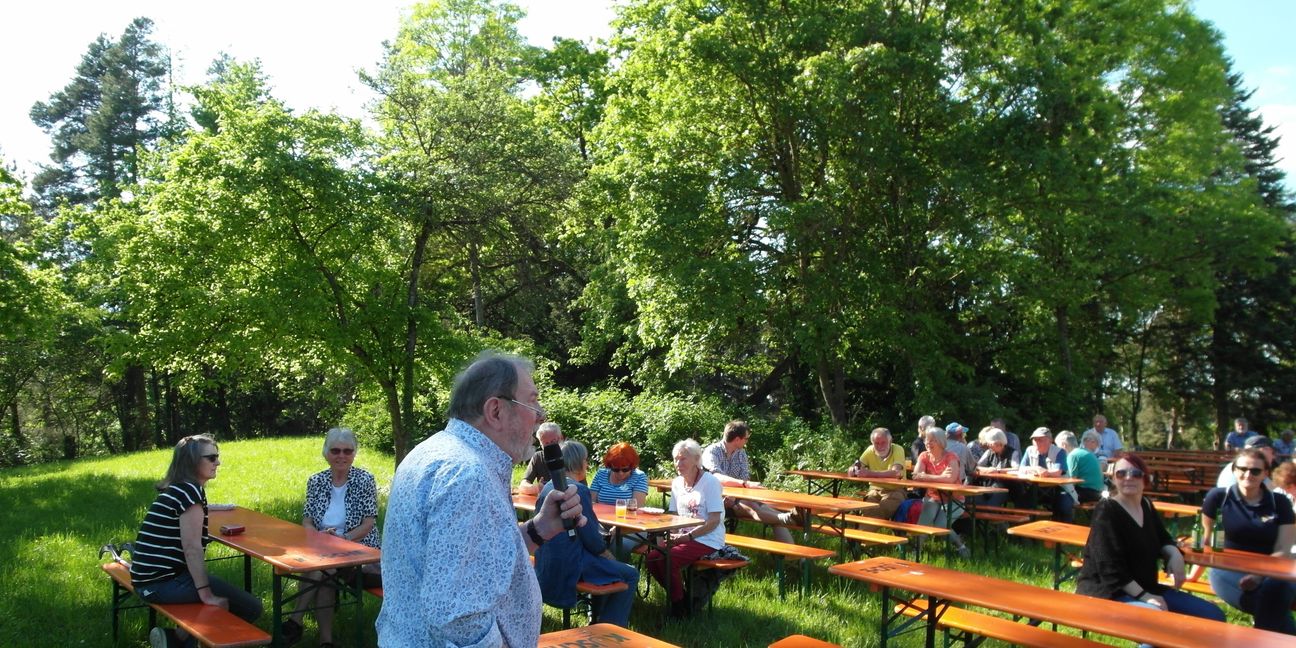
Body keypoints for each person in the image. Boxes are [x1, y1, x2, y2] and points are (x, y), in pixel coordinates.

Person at [376, 352, 585, 647]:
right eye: (533, 401)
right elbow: (459, 618)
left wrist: (540, 528)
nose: (541, 415)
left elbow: (480, 560)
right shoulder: (468, 474)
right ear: (495, 411)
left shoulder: (436, 452)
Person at [130, 435, 263, 648]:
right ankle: (183, 640)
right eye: (211, 458)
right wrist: (206, 594)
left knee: (217, 598)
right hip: (162, 584)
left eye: (217, 457)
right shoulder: (190, 493)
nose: (217, 462)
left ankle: (176, 639)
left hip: (147, 580)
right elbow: (192, 549)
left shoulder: (179, 489)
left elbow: (187, 515)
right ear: (192, 462)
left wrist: (214, 507)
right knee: (250, 608)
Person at [1076, 454, 1225, 631]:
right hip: (1109, 593)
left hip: (1147, 586)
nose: (1128, 478)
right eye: (1121, 474)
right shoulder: (1106, 510)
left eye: (1135, 473)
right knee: (1158, 623)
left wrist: (1175, 553)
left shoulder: (1146, 505)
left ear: (1146, 478)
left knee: (1214, 615)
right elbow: (1109, 568)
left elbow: (1163, 537)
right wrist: (1144, 596)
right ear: (1114, 480)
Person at [283, 427, 381, 647]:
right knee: (324, 572)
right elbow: (307, 519)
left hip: (360, 551)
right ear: (325, 453)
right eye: (336, 450)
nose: (341, 456)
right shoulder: (316, 481)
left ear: (354, 453)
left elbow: (368, 524)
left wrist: (341, 539)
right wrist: (317, 537)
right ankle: (326, 642)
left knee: (322, 570)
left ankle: (295, 621)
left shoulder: (364, 480)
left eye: (348, 451)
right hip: (322, 550)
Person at [533, 440, 638, 627]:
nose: (587, 464)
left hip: (547, 561)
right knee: (630, 573)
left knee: (607, 567)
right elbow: (590, 536)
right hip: (571, 563)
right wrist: (605, 553)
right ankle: (610, 630)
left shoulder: (548, 486)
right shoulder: (577, 489)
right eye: (586, 460)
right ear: (578, 462)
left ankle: (596, 619)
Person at [1202, 448, 1296, 634]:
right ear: (1234, 470)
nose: (1248, 474)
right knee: (1275, 599)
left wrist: (1259, 575)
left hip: (1271, 570)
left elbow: (1283, 548)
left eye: (1255, 471)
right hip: (1227, 569)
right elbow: (1205, 538)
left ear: (1266, 474)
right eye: (1242, 468)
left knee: (1275, 589)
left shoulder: (1280, 503)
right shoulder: (1218, 497)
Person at [646, 438, 726, 617]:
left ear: (697, 460)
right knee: (652, 557)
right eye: (675, 459)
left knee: (667, 559)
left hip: (708, 538)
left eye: (683, 459)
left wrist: (687, 537)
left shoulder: (710, 482)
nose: (677, 463)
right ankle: (681, 598)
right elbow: (673, 516)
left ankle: (679, 608)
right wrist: (669, 535)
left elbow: (713, 520)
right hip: (682, 536)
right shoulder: (677, 483)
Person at [703, 420, 797, 544]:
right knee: (754, 508)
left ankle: (794, 557)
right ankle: (788, 518)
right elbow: (716, 477)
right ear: (737, 439)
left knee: (773, 515)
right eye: (746, 439)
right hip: (715, 499)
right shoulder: (712, 451)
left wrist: (747, 487)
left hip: (738, 497)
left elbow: (744, 478)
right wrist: (744, 484)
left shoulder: (741, 454)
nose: (747, 441)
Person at [912, 426, 969, 557]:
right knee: (925, 520)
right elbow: (916, 476)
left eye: (932, 440)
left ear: (941, 442)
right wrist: (940, 477)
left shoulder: (951, 457)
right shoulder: (924, 456)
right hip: (933, 496)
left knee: (940, 525)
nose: (927, 443)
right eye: (927, 440)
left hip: (954, 499)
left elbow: (950, 479)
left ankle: (960, 546)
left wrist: (926, 477)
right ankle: (916, 551)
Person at [846, 427, 908, 520]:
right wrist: (852, 469)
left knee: (880, 510)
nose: (880, 446)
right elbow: (857, 465)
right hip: (874, 491)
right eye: (876, 443)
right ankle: (861, 532)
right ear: (872, 443)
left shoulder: (897, 449)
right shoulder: (870, 450)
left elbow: (896, 473)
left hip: (896, 491)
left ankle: (861, 533)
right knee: (867, 509)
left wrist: (870, 473)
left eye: (883, 442)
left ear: (890, 441)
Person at [1019, 427, 1076, 522]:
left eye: (1040, 439)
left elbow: (1058, 472)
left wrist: (1045, 472)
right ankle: (1025, 532)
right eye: (1035, 439)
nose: (1036, 442)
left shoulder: (1060, 452)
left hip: (1059, 488)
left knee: (1064, 505)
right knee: (1021, 502)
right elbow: (1021, 468)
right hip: (1036, 488)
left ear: (1050, 440)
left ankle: (1066, 531)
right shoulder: (1030, 450)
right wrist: (1036, 468)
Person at [589, 441, 650, 508]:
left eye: (625, 469)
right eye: (616, 469)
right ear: (610, 466)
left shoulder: (639, 477)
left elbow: (637, 508)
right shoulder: (601, 474)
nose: (620, 473)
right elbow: (591, 503)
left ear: (632, 466)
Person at [974, 427, 1023, 507]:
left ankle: (988, 513)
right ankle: (980, 516)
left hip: (1007, 487)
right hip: (989, 485)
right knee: (976, 499)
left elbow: (1017, 468)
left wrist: (998, 470)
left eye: (990, 443)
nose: (988, 445)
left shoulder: (1013, 453)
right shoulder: (989, 452)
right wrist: (988, 469)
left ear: (999, 443)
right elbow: (976, 466)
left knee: (993, 500)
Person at [517, 422, 565, 495]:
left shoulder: (570, 454)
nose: (550, 447)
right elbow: (523, 486)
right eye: (546, 444)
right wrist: (538, 488)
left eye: (553, 442)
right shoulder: (538, 457)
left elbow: (581, 485)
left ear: (561, 438)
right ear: (540, 444)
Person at [1057, 430, 1104, 504]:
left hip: (1089, 493)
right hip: (1099, 493)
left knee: (1058, 495)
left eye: (1058, 446)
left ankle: (1062, 515)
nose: (1057, 450)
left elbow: (1071, 481)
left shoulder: (1073, 455)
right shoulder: (1084, 452)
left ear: (1064, 445)